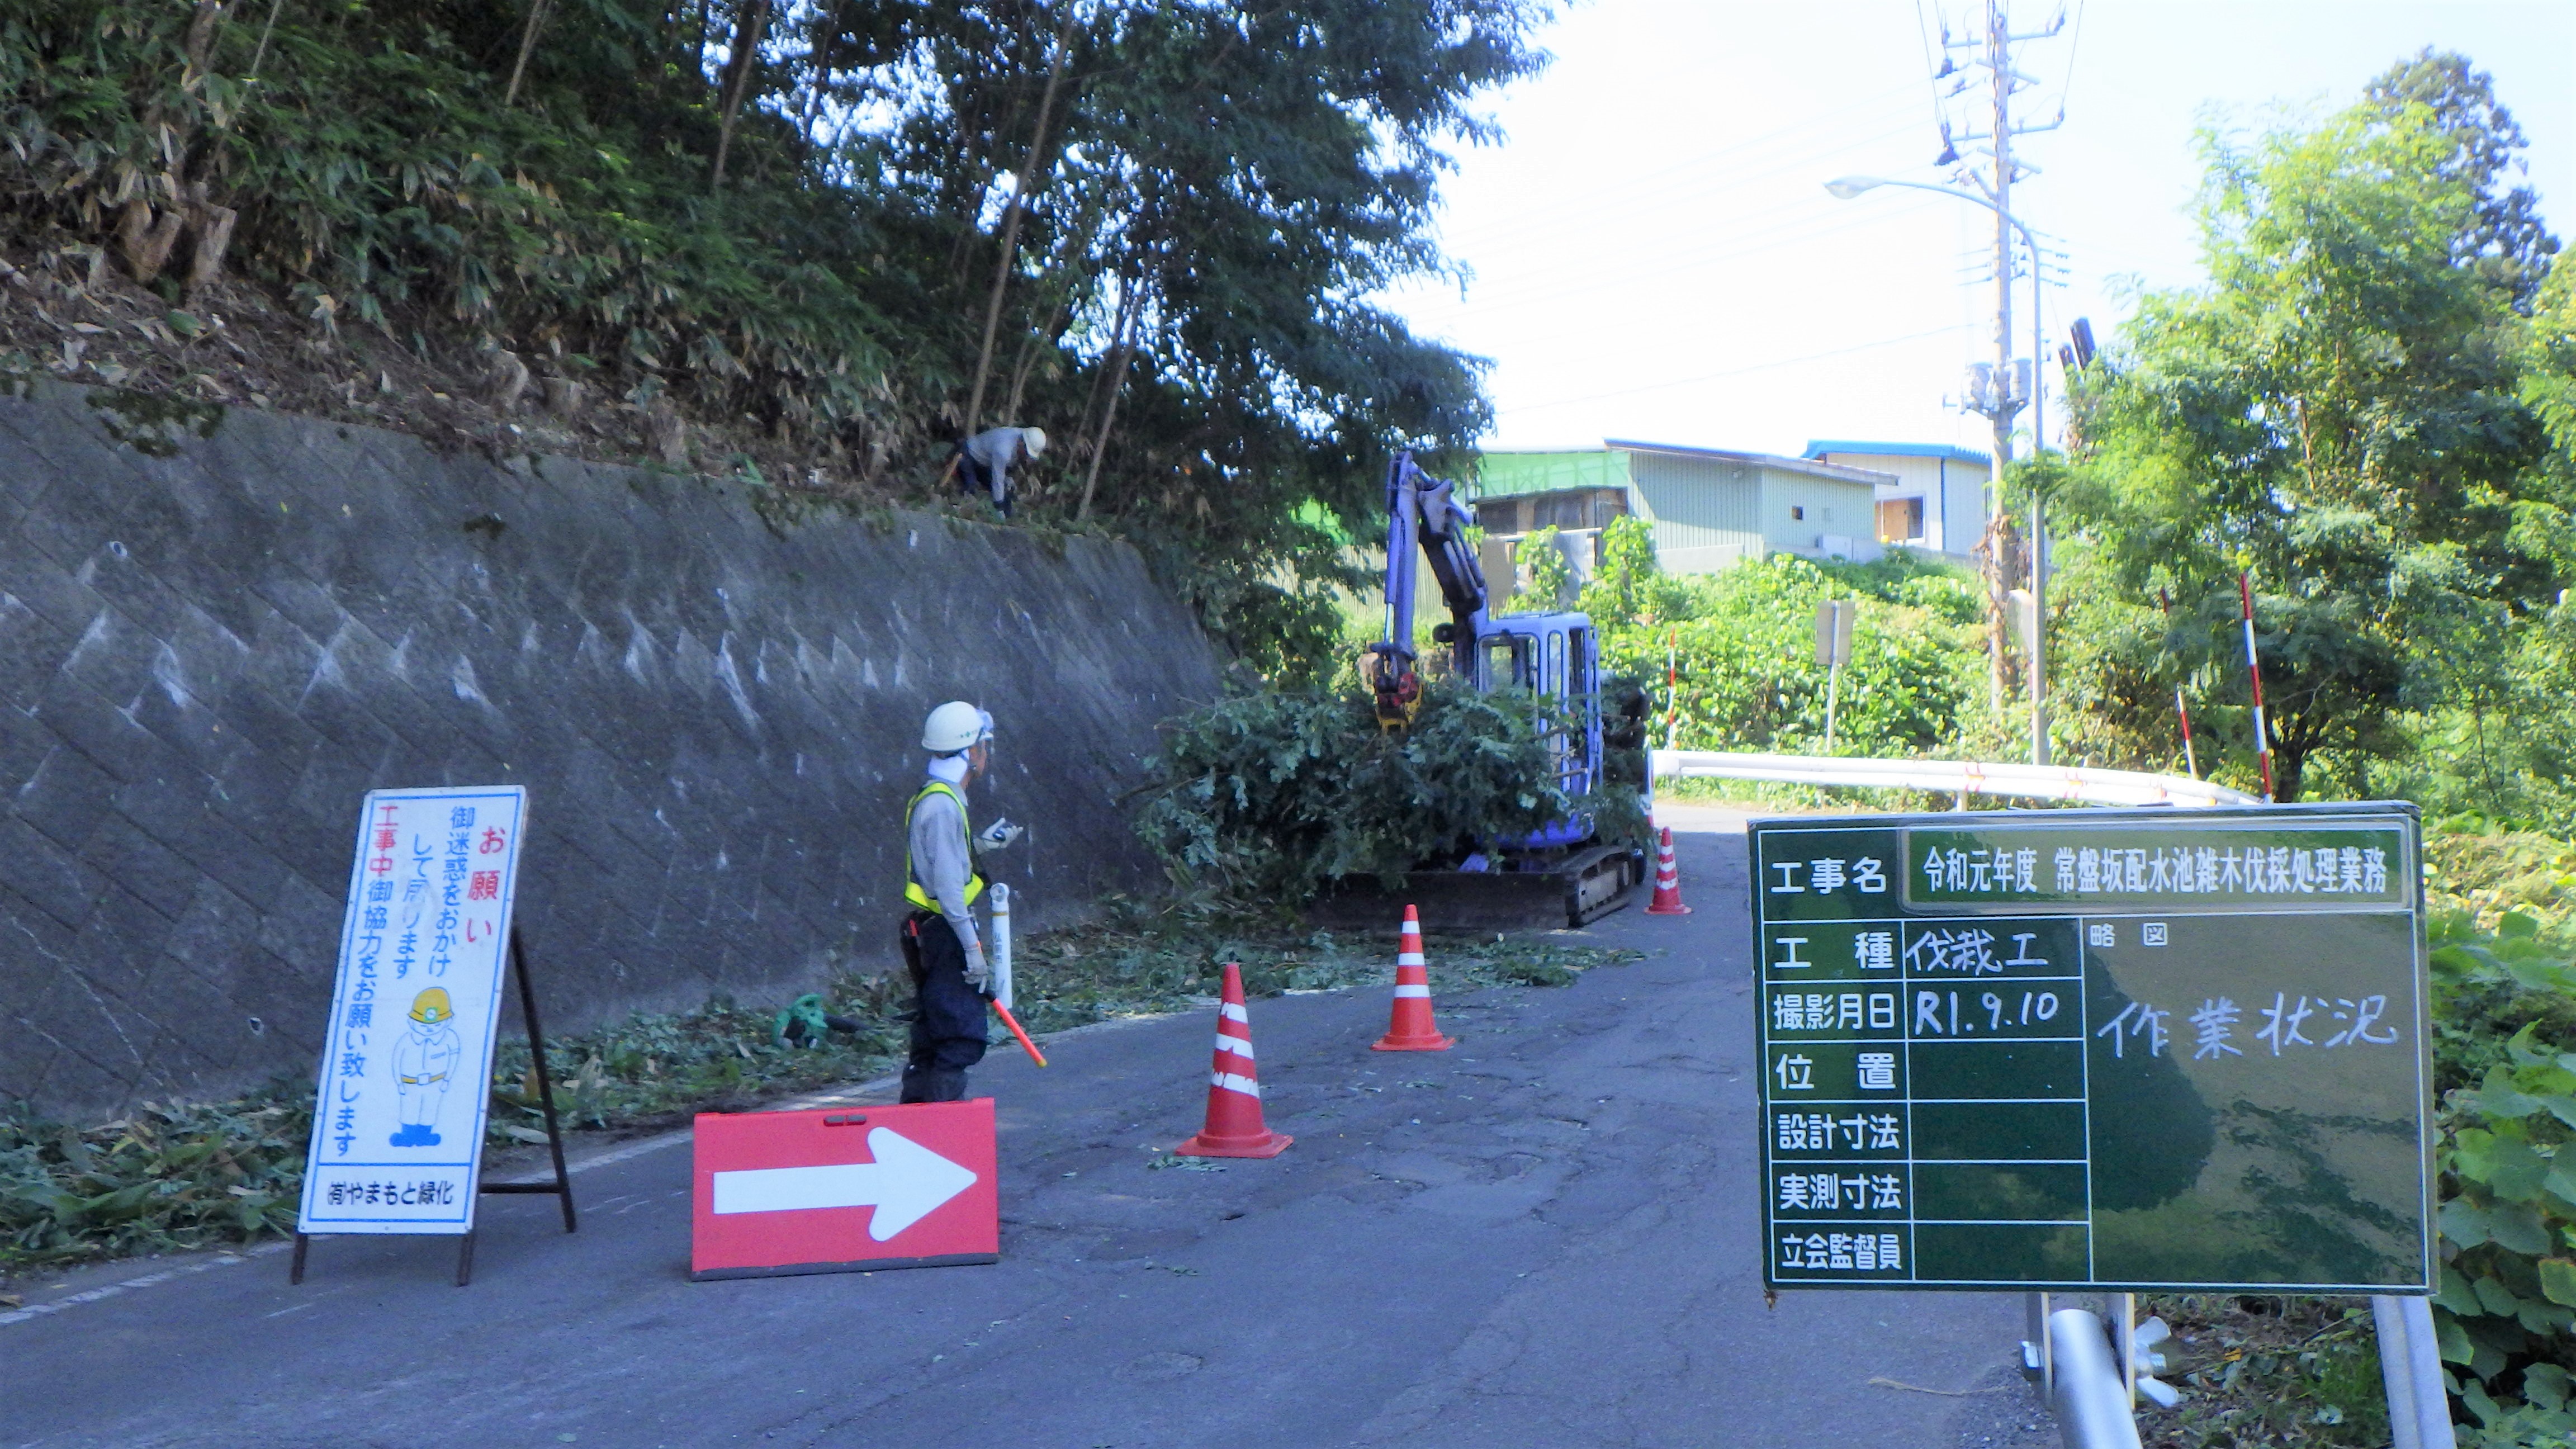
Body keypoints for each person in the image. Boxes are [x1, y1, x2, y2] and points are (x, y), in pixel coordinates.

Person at [899, 700, 1024, 1102]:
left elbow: (946, 862)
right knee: (958, 1036)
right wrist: (972, 950)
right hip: (946, 931)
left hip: (935, 929)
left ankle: (917, 1118)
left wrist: (984, 845)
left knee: (934, 1033)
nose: (985, 754)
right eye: (983, 746)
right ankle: (942, 1121)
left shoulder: (941, 796)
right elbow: (949, 889)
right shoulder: (942, 806)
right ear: (971, 752)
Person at [954, 425, 1045, 516]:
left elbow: (1006, 468)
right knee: (970, 489)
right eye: (1027, 453)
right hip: (968, 455)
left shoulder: (1024, 436)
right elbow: (998, 479)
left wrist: (1007, 480)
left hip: (986, 464)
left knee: (1006, 494)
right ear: (1022, 443)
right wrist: (999, 506)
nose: (1026, 457)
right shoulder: (1004, 450)